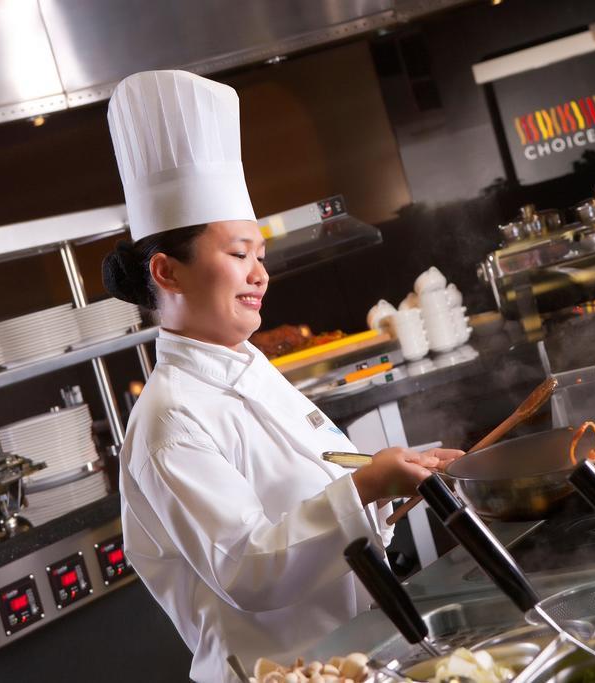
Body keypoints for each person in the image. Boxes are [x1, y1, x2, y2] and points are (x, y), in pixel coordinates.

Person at [102, 70, 462, 683]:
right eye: (239, 255)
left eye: (261, 257)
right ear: (166, 272)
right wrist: (366, 486)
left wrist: (386, 486)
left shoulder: (247, 364)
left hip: (351, 659)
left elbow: (312, 496)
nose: (260, 275)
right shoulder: (168, 422)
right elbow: (249, 568)